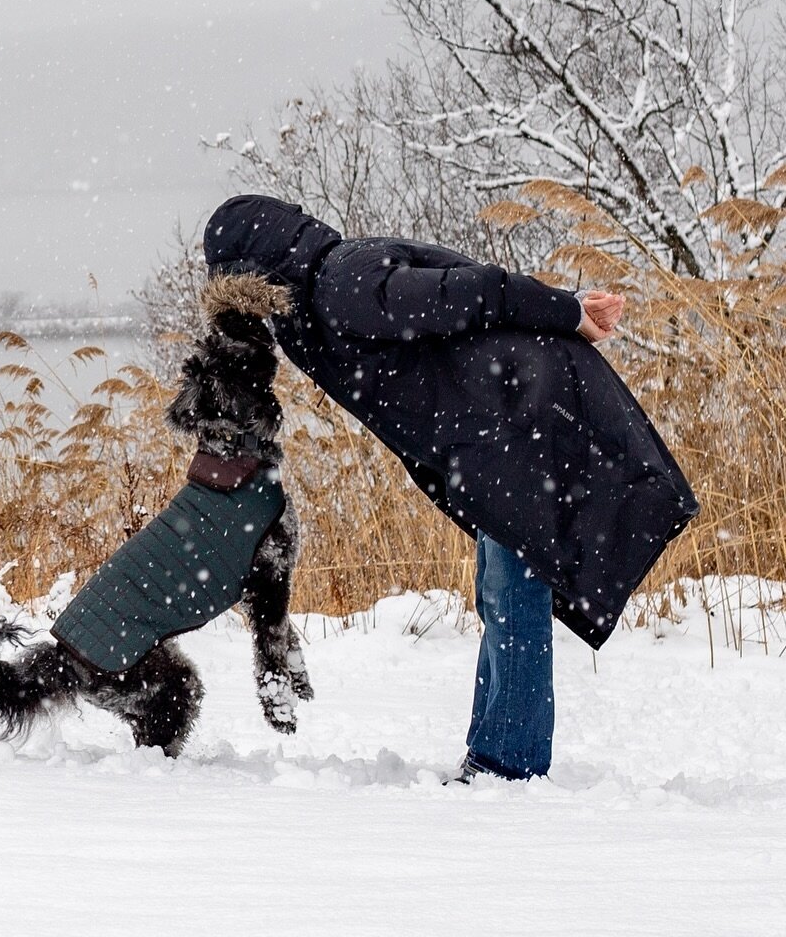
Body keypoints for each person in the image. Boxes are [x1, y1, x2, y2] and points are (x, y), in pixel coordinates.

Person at [202, 194, 698, 782]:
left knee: (513, 592)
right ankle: (493, 754)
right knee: (501, 589)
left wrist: (567, 310)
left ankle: (506, 765)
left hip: (520, 419)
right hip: (506, 424)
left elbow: (473, 292)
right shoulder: (319, 296)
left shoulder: (341, 282)